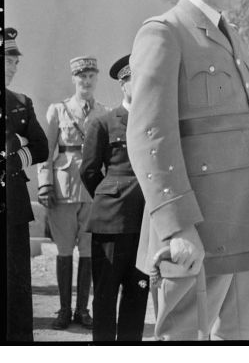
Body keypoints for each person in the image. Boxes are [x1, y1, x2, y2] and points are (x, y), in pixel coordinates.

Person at [127, 0, 249, 341]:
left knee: (238, 337)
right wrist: (177, 227)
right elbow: (149, 137)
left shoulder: (234, 37)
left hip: (246, 225)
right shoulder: (164, 32)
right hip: (200, 227)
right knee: (183, 338)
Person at [80, 55, 149, 341]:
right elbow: (89, 171)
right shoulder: (104, 122)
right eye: (136, 79)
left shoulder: (154, 119)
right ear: (123, 84)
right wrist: (112, 195)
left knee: (138, 292)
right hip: (111, 222)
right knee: (106, 295)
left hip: (146, 221)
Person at [37, 56, 109, 330]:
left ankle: (83, 310)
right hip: (63, 190)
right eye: (82, 77)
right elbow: (46, 151)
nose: (87, 82)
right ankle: (64, 310)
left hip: (92, 192)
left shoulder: (104, 112)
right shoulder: (58, 110)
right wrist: (45, 184)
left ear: (96, 79)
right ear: (74, 79)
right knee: (65, 251)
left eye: (91, 76)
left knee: (89, 251)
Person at [3, 28, 49, 341]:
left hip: (14, 207)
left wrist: (15, 159)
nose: (14, 66)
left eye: (16, 61)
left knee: (17, 283)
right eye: (9, 59)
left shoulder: (20, 103)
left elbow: (42, 147)